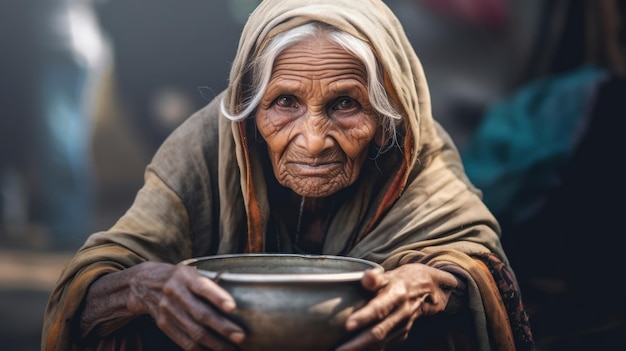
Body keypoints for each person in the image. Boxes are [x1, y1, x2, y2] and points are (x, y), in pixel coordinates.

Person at [42, 0, 534, 350]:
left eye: (345, 104)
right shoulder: (207, 147)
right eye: (284, 103)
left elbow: (477, 263)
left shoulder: (415, 153)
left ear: (388, 114)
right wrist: (143, 287)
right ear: (249, 108)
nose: (314, 139)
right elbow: (93, 283)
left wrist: (425, 288)